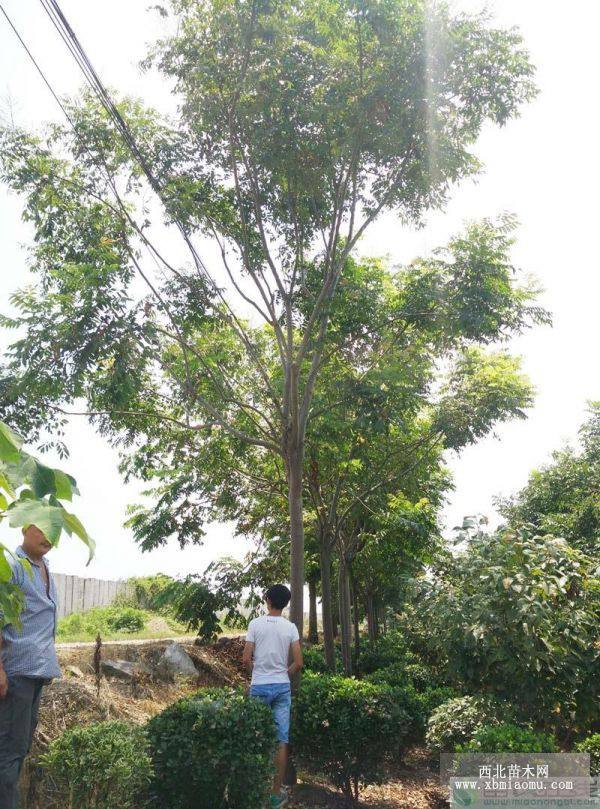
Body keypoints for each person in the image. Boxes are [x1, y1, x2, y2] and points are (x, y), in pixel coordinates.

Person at [0, 525, 61, 809]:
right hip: (17, 674)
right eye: (42, 529)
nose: (49, 536)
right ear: (25, 527)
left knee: (20, 747)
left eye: (54, 529)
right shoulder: (13, 565)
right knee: (9, 753)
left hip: (36, 673)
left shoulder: (44, 566)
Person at [243, 584, 303, 809]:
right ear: (286, 602)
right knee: (280, 740)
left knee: (255, 735)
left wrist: (256, 676)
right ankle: (275, 794)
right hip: (281, 688)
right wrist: (282, 674)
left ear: (267, 599)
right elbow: (298, 663)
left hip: (259, 686)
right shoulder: (290, 628)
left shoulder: (255, 624)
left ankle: (253, 788)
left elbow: (246, 659)